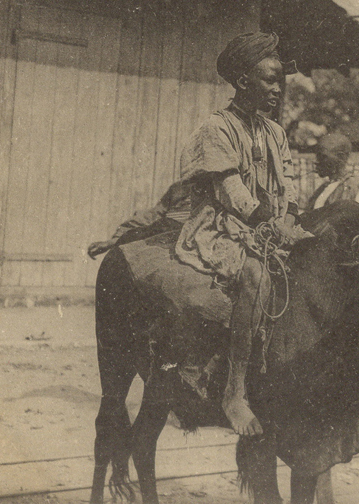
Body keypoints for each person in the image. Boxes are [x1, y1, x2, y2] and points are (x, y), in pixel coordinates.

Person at [89, 32, 309, 436]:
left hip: (271, 229)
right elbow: (231, 192)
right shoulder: (216, 129)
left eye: (280, 81)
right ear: (243, 82)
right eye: (270, 80)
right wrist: (268, 223)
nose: (278, 89)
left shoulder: (275, 133)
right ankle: (235, 392)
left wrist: (291, 217)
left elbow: (289, 181)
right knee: (255, 277)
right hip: (221, 229)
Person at [305, 132, 359, 211]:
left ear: (341, 157)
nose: (315, 161)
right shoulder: (321, 190)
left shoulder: (358, 190)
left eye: (322, 156)